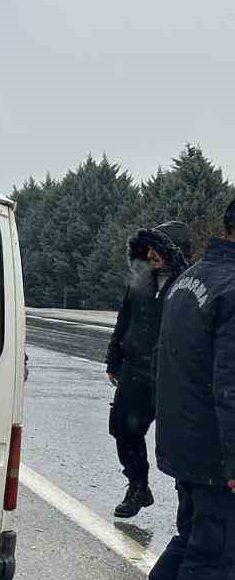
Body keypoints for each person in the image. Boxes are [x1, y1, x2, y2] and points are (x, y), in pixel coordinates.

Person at [104, 198, 235, 580]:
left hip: (186, 441)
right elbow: (230, 383)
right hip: (216, 450)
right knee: (220, 551)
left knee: (192, 539)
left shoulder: (194, 278)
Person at [105, 221, 191, 517]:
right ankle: (138, 487)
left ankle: (189, 503)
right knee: (122, 426)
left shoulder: (189, 286)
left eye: (158, 248)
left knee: (179, 441)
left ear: (175, 251)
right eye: (149, 247)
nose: (151, 254)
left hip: (171, 375)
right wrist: (113, 356)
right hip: (135, 368)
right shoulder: (141, 280)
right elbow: (124, 318)